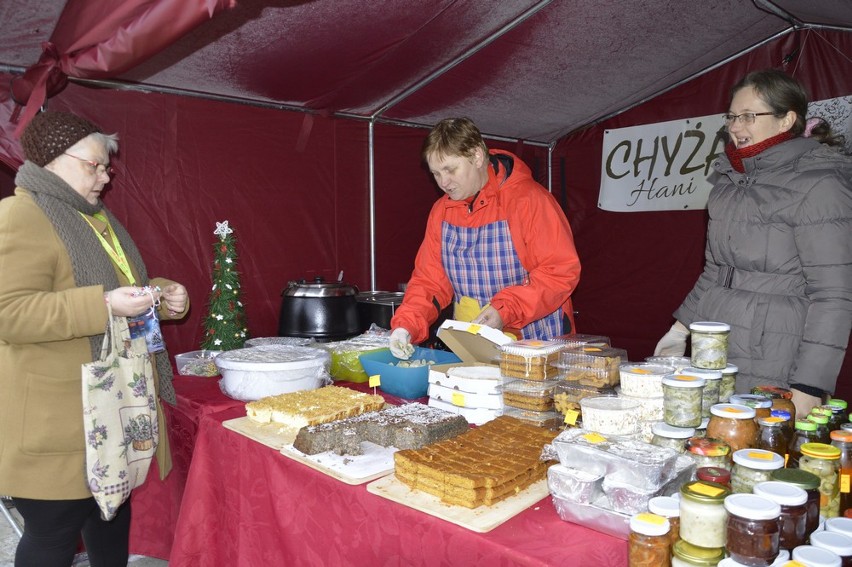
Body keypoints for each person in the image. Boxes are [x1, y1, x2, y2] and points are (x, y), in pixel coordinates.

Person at [0, 110, 189, 566]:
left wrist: (161, 294)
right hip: (59, 420)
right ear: (52, 160)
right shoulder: (20, 215)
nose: (105, 177)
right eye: (95, 165)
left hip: (110, 411)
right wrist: (103, 305)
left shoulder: (95, 218)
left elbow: (120, 285)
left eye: (107, 167)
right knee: (54, 531)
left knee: (110, 516)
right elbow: (9, 312)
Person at [655, 69, 852, 418]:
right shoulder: (729, 183)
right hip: (715, 338)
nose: (735, 126)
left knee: (760, 451)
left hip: (774, 344)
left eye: (748, 116)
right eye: (731, 116)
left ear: (785, 120)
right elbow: (717, 270)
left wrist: (810, 383)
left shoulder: (820, 184)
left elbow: (834, 295)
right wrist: (681, 328)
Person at [389, 117, 581, 358]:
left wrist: (505, 309)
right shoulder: (441, 211)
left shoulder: (529, 200)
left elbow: (560, 272)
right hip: (473, 347)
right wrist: (406, 325)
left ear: (477, 156)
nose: (443, 182)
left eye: (450, 169)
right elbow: (429, 281)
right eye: (436, 173)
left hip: (535, 342)